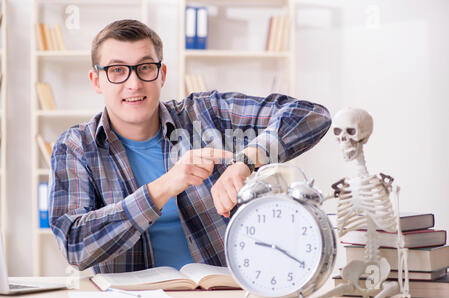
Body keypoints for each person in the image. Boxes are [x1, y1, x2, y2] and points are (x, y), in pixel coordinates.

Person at [49, 19, 331, 274]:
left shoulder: (206, 113)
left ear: (161, 74)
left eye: (145, 67)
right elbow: (75, 245)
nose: (133, 84)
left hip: (224, 297)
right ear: (96, 80)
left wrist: (245, 161)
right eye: (117, 70)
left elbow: (311, 116)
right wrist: (165, 186)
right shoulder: (75, 147)